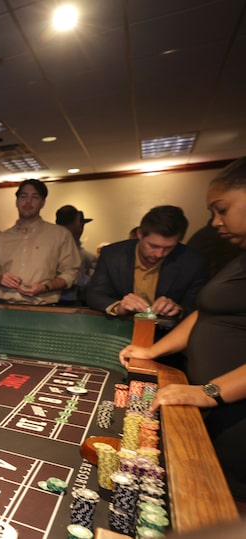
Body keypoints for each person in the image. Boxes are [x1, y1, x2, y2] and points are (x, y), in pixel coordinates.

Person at [119, 157, 246, 508]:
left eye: (222, 209)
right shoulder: (240, 256)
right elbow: (207, 314)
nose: (215, 222)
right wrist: (152, 351)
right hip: (219, 407)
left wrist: (209, 392)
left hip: (236, 414)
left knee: (220, 508)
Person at [87, 205, 208, 324]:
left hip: (168, 335)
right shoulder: (112, 254)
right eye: (153, 246)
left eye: (169, 247)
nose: (159, 254)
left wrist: (178, 310)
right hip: (120, 328)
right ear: (140, 234)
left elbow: (198, 306)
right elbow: (94, 294)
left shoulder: (193, 261)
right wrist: (118, 307)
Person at [0, 179, 81, 304]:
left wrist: (45, 287)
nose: (28, 201)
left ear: (43, 203)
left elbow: (71, 272)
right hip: (2, 306)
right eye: (23, 196)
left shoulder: (60, 235)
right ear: (17, 201)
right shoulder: (1, 239)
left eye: (35, 197)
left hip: (43, 309)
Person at [55, 205, 97, 306]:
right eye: (80, 225)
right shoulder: (72, 247)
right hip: (65, 299)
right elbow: (79, 280)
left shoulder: (52, 241)